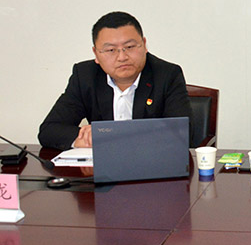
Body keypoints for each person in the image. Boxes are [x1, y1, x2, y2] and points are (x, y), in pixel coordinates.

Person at [39, 11, 192, 150]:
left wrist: (106, 135)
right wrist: (84, 139)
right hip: (100, 168)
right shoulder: (85, 76)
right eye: (111, 50)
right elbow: (49, 130)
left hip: (150, 165)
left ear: (144, 45)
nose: (122, 57)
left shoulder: (167, 75)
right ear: (96, 54)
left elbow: (181, 133)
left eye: (130, 47)